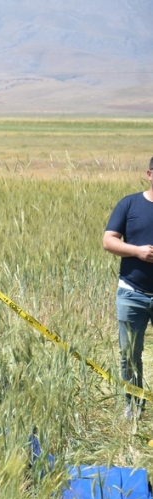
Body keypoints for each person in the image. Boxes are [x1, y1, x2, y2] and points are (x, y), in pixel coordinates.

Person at [103, 156, 153, 418]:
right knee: (129, 355)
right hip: (132, 293)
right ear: (149, 174)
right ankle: (133, 408)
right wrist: (137, 251)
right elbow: (108, 241)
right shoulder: (130, 204)